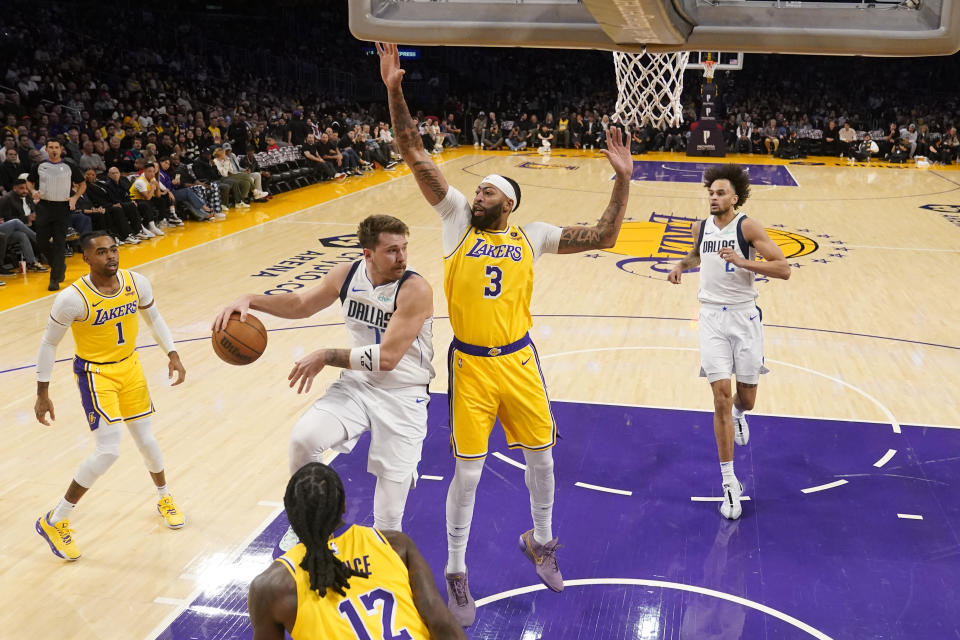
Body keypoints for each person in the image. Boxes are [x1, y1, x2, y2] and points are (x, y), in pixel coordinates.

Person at [377, 42, 634, 626]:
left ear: (508, 203)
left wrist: (622, 182)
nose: (478, 196)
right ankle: (456, 569)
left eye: (488, 192)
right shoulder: (454, 224)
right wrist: (395, 90)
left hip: (519, 361)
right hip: (469, 365)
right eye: (479, 191)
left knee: (542, 458)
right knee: (467, 472)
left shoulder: (532, 235)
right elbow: (416, 154)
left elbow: (604, 237)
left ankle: (540, 540)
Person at [213, 215, 435, 543]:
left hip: (404, 393)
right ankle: (309, 526)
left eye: (404, 249)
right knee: (304, 440)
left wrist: (327, 355)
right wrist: (251, 299)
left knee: (389, 523)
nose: (402, 257)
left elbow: (387, 358)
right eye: (391, 250)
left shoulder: (415, 289)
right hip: (359, 385)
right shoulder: (346, 275)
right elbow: (302, 305)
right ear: (368, 254)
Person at [34, 231, 187, 561]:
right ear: (87, 258)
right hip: (95, 374)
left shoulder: (137, 283)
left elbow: (154, 318)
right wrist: (42, 392)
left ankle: (164, 496)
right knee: (108, 451)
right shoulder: (72, 299)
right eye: (101, 252)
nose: (111, 257)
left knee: (147, 440)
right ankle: (55, 519)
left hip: (130, 367)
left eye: (113, 250)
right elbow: (49, 344)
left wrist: (172, 353)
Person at [667, 164, 791, 521]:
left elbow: (783, 268)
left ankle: (740, 414)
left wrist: (743, 262)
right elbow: (698, 255)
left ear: (734, 198)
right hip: (710, 318)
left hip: (744, 316)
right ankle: (729, 483)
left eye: (720, 193)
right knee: (719, 396)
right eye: (710, 192)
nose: (713, 197)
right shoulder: (700, 227)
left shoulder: (747, 227)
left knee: (745, 399)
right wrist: (681, 264)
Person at [248, 462, 466, 639]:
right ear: (343, 505)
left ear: (291, 517)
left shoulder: (272, 586)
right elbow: (441, 622)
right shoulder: (395, 545)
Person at [27, 139, 86, 290]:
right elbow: (29, 182)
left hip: (62, 207)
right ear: (46, 149)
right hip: (44, 206)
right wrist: (33, 191)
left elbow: (82, 184)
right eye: (51, 147)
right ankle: (59, 266)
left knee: (59, 242)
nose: (54, 150)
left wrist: (74, 198)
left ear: (61, 149)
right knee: (41, 241)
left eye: (56, 147)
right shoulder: (39, 166)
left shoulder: (69, 166)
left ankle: (54, 278)